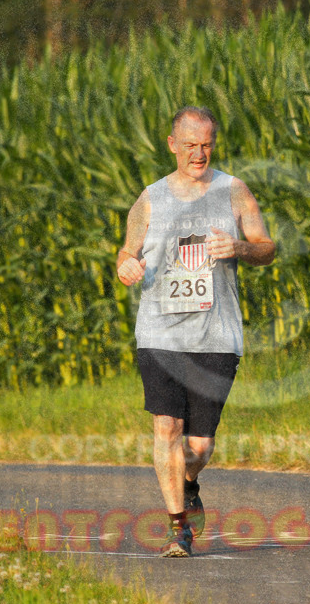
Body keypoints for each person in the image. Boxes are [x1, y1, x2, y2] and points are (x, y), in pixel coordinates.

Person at [116, 106, 275, 557]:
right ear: (173, 146)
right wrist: (126, 266)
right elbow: (126, 253)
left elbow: (267, 248)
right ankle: (177, 529)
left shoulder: (233, 191)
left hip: (216, 335)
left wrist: (240, 247)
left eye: (205, 144)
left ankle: (189, 482)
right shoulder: (149, 199)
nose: (198, 153)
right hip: (160, 334)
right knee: (167, 426)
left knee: (200, 445)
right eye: (190, 145)